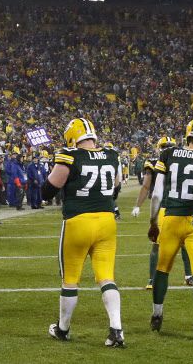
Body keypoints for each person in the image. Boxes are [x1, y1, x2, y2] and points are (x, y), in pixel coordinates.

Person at [42, 117, 124, 348]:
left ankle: (63, 329)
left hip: (78, 222)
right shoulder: (112, 154)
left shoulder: (69, 155)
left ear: (71, 136)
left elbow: (48, 190)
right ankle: (116, 329)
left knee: (70, 279)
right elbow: (116, 188)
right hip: (107, 222)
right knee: (106, 277)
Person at [148, 118, 193, 340]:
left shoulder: (168, 154)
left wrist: (152, 221)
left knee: (162, 269)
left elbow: (157, 193)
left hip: (170, 219)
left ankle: (157, 314)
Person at [132, 137, 193, 289]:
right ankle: (189, 276)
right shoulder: (183, 158)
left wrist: (138, 205)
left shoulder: (154, 162)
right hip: (180, 206)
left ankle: (153, 279)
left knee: (157, 245)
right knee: (183, 243)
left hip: (164, 207)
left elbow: (146, 186)